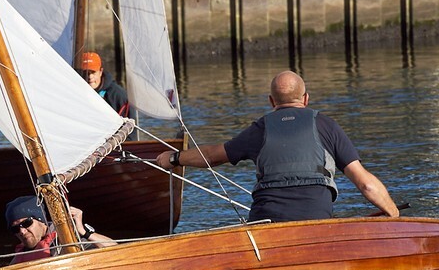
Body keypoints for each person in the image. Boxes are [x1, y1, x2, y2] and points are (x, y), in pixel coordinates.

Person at [157, 70, 400, 222]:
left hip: (268, 223)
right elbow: (365, 183)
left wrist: (175, 158)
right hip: (316, 220)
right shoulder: (326, 125)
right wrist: (393, 213)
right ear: (305, 99)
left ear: (271, 101)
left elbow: (212, 156)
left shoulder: (260, 129)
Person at [5, 195, 116, 265]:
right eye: (15, 228)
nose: (22, 231)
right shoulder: (22, 255)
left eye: (26, 223)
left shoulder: (66, 237)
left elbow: (115, 250)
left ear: (41, 220)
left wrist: (83, 231)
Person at [80, 52, 134, 119]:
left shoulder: (118, 95)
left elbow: (130, 124)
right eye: (86, 72)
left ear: (100, 72)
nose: (90, 76)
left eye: (93, 72)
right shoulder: (75, 91)